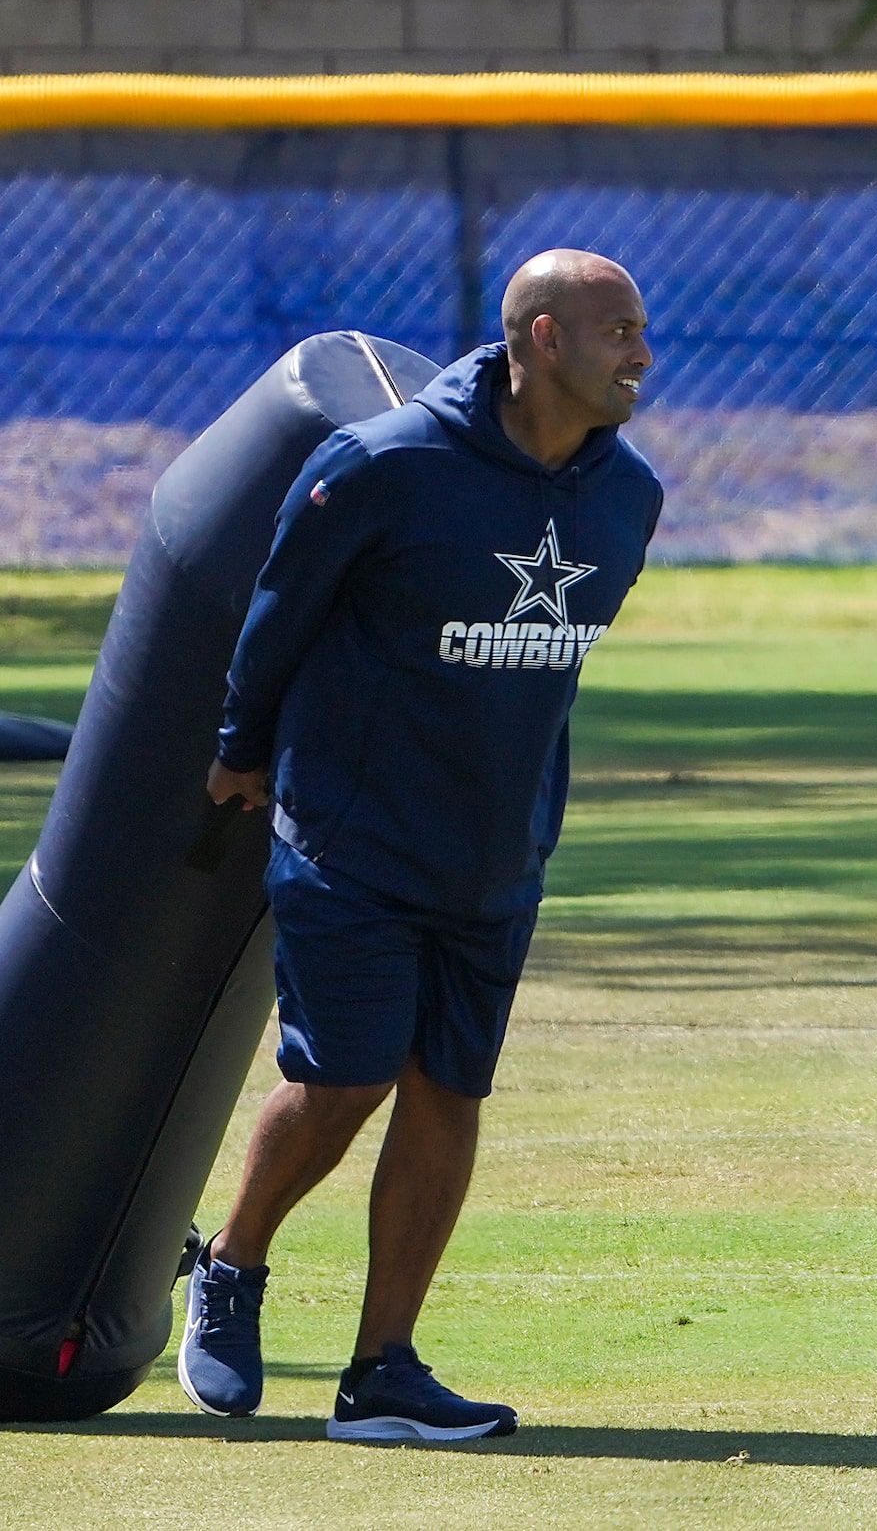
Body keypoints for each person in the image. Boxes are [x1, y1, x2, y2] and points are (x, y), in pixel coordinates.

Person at [176, 250, 662, 1441]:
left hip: (496, 853)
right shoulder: (382, 466)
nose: (642, 355)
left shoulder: (628, 497)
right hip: (353, 833)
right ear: (543, 338)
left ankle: (382, 1371)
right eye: (618, 331)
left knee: (449, 1090)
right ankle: (233, 1265)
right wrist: (241, 749)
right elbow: (280, 612)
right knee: (343, 1074)